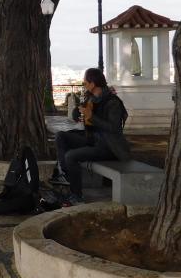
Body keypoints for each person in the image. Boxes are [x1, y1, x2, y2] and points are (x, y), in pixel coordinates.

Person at [52, 67, 131, 205]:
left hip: (109, 147)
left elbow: (114, 128)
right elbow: (79, 111)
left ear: (93, 84)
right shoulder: (90, 98)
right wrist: (77, 113)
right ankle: (65, 175)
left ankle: (77, 196)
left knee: (71, 156)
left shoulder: (112, 102)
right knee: (61, 136)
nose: (84, 85)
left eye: (85, 82)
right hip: (92, 139)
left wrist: (92, 117)